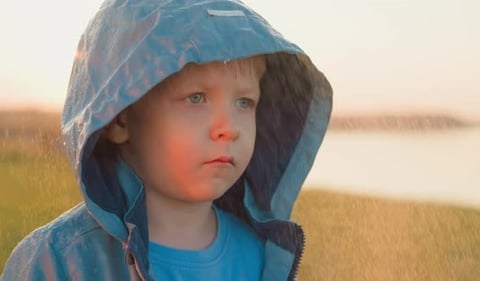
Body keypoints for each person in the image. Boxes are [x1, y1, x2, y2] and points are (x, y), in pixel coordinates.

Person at [1, 0, 332, 280]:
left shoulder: (259, 255)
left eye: (244, 103)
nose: (229, 128)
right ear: (119, 117)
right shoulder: (58, 261)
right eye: (197, 98)